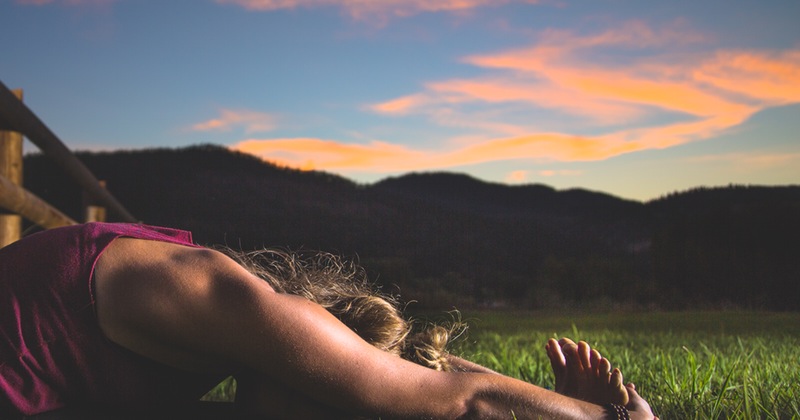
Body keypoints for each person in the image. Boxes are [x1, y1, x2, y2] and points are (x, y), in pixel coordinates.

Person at [1, 222, 656, 419]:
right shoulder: (223, 298)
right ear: (317, 342)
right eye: (338, 396)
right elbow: (456, 402)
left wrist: (553, 403)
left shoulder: (217, 348)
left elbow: (430, 379)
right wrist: (619, 419)